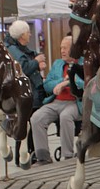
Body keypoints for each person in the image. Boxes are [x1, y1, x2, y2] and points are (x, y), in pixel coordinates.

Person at [30, 35, 84, 163]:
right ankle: (43, 157)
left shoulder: (83, 63)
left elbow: (85, 83)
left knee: (65, 116)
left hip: (75, 103)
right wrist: (61, 80)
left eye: (65, 48)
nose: (62, 51)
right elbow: (47, 84)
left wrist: (67, 82)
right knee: (36, 118)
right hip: (56, 102)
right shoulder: (58, 64)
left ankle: (68, 156)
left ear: (74, 49)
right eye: (61, 48)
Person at [5, 20, 48, 163]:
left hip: (31, 91)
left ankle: (29, 153)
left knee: (28, 123)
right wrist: (36, 62)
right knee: (26, 123)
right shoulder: (14, 50)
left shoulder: (18, 48)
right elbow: (23, 68)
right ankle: (24, 155)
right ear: (22, 35)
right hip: (26, 93)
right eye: (28, 32)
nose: (30, 34)